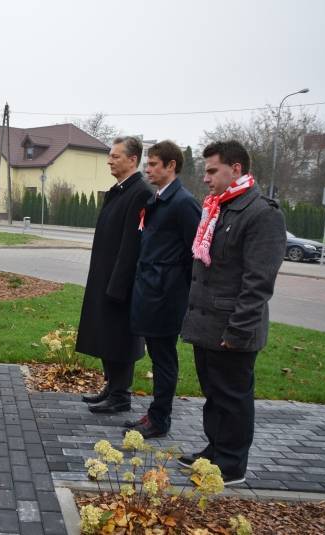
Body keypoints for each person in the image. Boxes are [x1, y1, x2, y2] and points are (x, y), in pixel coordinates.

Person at [178, 140, 286, 486]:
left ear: (235, 168)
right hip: (207, 325)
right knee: (215, 395)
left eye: (212, 171)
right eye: (206, 171)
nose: (206, 179)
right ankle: (215, 450)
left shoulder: (262, 213)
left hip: (232, 329)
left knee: (233, 398)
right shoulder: (218, 207)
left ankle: (232, 464)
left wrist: (237, 331)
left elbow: (258, 282)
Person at [125, 140, 201, 438]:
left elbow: (194, 254)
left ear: (171, 166)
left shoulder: (183, 203)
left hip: (166, 296)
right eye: (148, 163)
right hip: (151, 291)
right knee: (158, 357)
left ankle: (160, 419)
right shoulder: (158, 199)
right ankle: (154, 414)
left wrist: (175, 288)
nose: (148, 168)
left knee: (164, 359)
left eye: (154, 163)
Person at [77, 137, 152, 413]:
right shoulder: (119, 190)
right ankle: (111, 386)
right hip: (104, 276)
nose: (109, 160)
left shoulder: (139, 192)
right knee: (105, 335)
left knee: (120, 338)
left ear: (132, 160)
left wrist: (118, 284)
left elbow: (131, 244)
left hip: (120, 281)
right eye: (110, 155)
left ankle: (121, 394)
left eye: (115, 156)